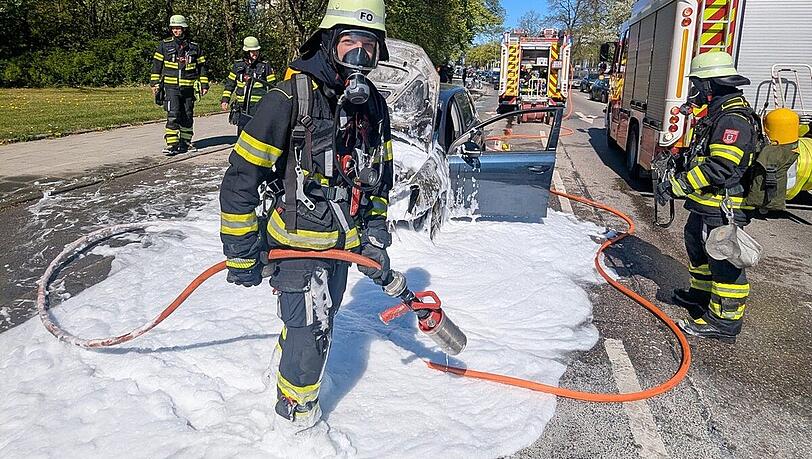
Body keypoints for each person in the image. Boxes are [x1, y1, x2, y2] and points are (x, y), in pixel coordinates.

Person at [218, 0, 394, 432]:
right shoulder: (287, 97)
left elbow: (380, 181)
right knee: (310, 337)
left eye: (367, 46)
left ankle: (291, 366)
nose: (358, 56)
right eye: (348, 42)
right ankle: (296, 423)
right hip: (295, 243)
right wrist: (241, 249)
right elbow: (241, 177)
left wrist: (373, 233)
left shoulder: (373, 107)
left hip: (342, 247)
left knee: (319, 322)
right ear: (328, 42)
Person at [656, 51, 759, 343]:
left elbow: (722, 168)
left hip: (723, 206)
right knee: (697, 246)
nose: (695, 91)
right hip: (707, 204)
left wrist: (679, 186)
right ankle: (699, 296)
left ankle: (724, 323)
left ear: (711, 86)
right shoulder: (718, 114)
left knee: (724, 261)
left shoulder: (732, 121)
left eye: (698, 85)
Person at [150, 14, 208, 155]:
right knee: (173, 114)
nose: (176, 31)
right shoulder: (164, 45)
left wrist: (204, 84)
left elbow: (202, 67)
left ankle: (186, 142)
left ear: (184, 28)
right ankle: (172, 144)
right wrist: (154, 83)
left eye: (179, 28)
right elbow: (156, 66)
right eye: (174, 28)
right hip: (171, 88)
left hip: (188, 88)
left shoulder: (194, 47)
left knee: (187, 115)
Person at [220, 36, 276, 135]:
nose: (255, 53)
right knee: (242, 133)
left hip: (258, 106)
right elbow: (230, 84)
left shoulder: (265, 66)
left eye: (257, 51)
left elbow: (272, 86)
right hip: (242, 106)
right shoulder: (238, 66)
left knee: (257, 133)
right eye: (252, 51)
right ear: (246, 52)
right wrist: (225, 100)